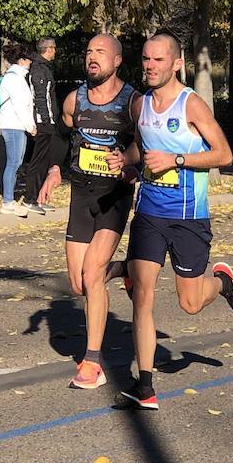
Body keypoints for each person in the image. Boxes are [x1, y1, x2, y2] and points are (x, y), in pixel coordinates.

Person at [119, 32, 233, 410]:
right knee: (141, 294)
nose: (150, 65)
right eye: (146, 59)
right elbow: (141, 147)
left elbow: (223, 154)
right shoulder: (139, 104)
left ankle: (223, 283)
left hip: (189, 217)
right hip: (148, 214)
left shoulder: (190, 105)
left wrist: (176, 160)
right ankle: (145, 386)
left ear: (177, 63)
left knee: (190, 303)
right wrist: (127, 162)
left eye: (159, 60)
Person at [37, 34, 138, 389]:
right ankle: (126, 268)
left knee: (93, 274)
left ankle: (92, 362)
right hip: (81, 195)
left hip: (114, 196)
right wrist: (54, 169)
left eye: (100, 53)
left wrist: (129, 163)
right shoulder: (74, 100)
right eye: (88, 52)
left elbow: (145, 141)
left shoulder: (133, 102)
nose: (92, 58)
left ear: (117, 61)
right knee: (80, 283)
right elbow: (61, 136)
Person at [0, 42, 36, 217]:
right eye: (29, 59)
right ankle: (8, 201)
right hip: (14, 126)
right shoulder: (15, 79)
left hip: (15, 125)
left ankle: (9, 200)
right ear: (21, 60)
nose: (31, 62)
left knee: (15, 163)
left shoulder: (14, 77)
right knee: (13, 163)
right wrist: (30, 126)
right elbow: (21, 106)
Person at [22, 37, 59, 214]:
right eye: (54, 49)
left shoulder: (43, 68)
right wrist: (46, 120)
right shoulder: (39, 70)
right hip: (44, 122)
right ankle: (29, 199)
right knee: (38, 162)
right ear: (48, 49)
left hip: (47, 121)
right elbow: (40, 97)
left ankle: (38, 198)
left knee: (45, 162)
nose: (55, 52)